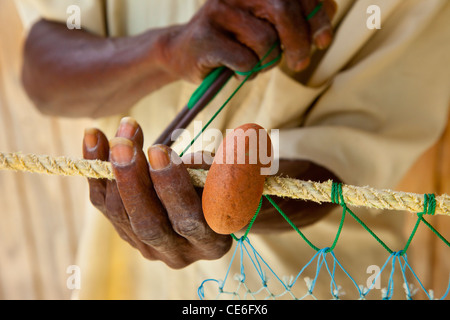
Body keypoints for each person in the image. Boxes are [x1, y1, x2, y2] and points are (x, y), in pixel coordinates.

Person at [14, 0, 450, 299]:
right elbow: (42, 66)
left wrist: (232, 198)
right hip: (125, 280)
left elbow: (345, 157)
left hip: (299, 283)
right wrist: (168, 51)